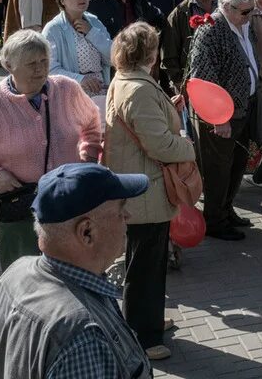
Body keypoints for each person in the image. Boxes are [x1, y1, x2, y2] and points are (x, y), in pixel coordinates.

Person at [0, 163, 152, 379]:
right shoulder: (83, 337)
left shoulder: (15, 272)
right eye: (120, 210)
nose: (127, 216)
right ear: (86, 232)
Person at [0, 30, 103, 269]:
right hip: (18, 207)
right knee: (24, 277)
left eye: (44, 61)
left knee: (73, 270)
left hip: (68, 202)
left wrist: (88, 156)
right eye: (31, 63)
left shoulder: (67, 89)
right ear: (8, 65)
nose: (40, 69)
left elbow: (91, 124)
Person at [103, 22, 196, 360]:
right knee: (144, 266)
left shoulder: (127, 79)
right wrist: (186, 146)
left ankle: (149, 321)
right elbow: (159, 144)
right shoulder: (139, 88)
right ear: (150, 53)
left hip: (138, 185)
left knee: (147, 261)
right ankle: (143, 336)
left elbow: (144, 125)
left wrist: (167, 108)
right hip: (146, 189)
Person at [187, 0, 262, 241]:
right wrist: (219, 119)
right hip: (221, 116)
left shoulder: (243, 23)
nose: (249, 15)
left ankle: (226, 209)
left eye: (251, 10)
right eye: (244, 11)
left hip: (244, 107)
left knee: (237, 165)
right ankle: (214, 220)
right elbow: (203, 80)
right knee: (218, 169)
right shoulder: (210, 30)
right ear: (227, 7)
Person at [43, 0, 114, 114]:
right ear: (62, 0)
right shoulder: (53, 29)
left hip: (101, 92)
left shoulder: (94, 22)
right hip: (70, 96)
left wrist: (92, 33)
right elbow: (49, 69)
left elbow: (113, 57)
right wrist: (80, 79)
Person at [160, 0, 218, 95]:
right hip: (194, 82)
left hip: (222, 79)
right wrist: (180, 83)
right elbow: (169, 56)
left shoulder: (225, 6)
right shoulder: (179, 14)